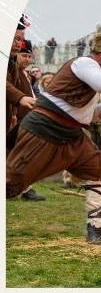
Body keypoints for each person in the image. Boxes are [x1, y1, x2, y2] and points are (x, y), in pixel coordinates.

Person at [6, 31, 101, 244]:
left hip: (70, 135)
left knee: (99, 168)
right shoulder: (84, 64)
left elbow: (83, 116)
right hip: (44, 132)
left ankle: (98, 227)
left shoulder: (91, 76)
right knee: (10, 184)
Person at [6, 17, 45, 201]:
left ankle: (22, 187)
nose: (17, 44)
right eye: (14, 39)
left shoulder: (13, 65)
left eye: (19, 40)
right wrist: (20, 98)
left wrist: (13, 114)